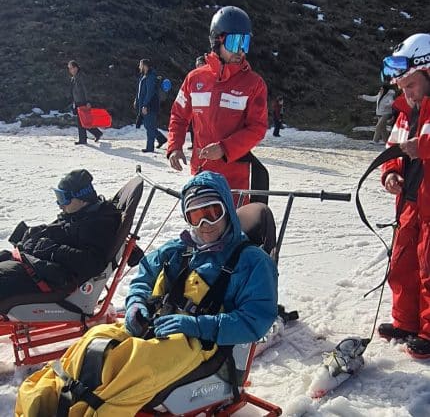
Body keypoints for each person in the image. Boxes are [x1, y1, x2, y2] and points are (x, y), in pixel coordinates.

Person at [15, 171, 278, 416]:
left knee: (130, 367)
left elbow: (255, 321)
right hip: (156, 324)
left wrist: (198, 325)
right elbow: (144, 275)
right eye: (196, 216)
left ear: (228, 212)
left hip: (203, 344)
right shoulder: (180, 248)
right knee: (90, 343)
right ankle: (48, 404)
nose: (205, 224)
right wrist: (135, 303)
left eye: (213, 212)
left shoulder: (253, 262)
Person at [167, 6, 268, 200]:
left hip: (235, 179)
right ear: (217, 41)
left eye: (244, 42)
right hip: (201, 174)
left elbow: (257, 128)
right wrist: (174, 146)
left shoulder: (254, 84)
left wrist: (224, 148)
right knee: (201, 226)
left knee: (231, 228)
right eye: (234, 42)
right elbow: (178, 116)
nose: (240, 50)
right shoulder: (194, 79)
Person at [377, 33, 430, 358]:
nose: (406, 92)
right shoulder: (405, 111)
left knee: (429, 268)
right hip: (409, 203)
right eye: (402, 86)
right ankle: (406, 322)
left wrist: (422, 147)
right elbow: (392, 150)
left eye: (410, 84)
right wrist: (391, 173)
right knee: (402, 263)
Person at [0, 169, 121, 301]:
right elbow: (67, 232)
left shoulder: (98, 224)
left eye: (63, 199)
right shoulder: (81, 214)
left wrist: (53, 250)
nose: (60, 205)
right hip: (35, 264)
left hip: (51, 279)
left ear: (82, 198)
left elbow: (93, 263)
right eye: (58, 197)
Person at [135, 58, 167, 153]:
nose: (139, 67)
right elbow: (141, 91)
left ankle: (150, 147)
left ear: (145, 66)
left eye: (140, 65)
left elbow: (150, 92)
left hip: (150, 106)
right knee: (148, 125)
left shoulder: (151, 77)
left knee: (149, 126)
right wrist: (137, 100)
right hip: (145, 105)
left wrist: (145, 105)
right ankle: (161, 139)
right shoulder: (144, 76)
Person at [68, 60, 103, 145]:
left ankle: (86, 138)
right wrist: (74, 102)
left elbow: (86, 89)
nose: (70, 70)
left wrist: (88, 101)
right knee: (82, 121)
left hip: (83, 102)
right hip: (77, 102)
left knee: (83, 121)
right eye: (69, 69)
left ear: (76, 68)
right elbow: (73, 91)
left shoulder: (81, 76)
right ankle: (95, 134)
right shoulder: (74, 78)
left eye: (71, 68)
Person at [188, 55, 207, 151]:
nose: (200, 66)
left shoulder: (210, 77)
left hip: (206, 109)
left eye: (202, 64)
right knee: (193, 128)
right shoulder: (193, 77)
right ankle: (194, 143)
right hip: (195, 107)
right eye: (198, 65)